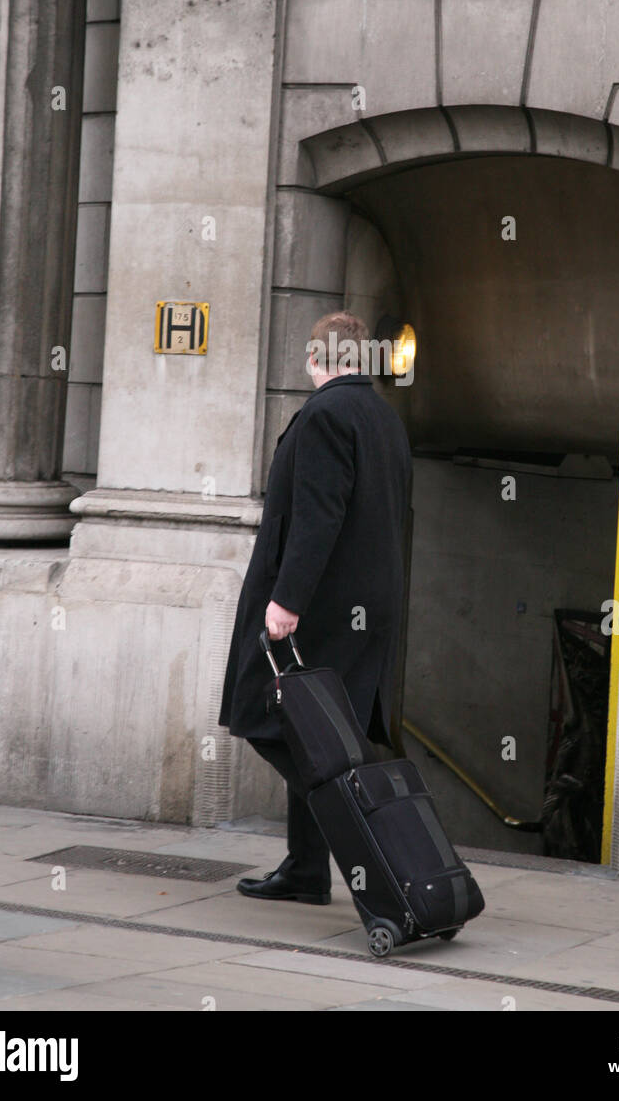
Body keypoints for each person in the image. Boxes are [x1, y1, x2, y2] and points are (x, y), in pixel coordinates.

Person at [217, 310, 413, 904]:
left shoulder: (327, 415)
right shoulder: (382, 417)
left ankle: (359, 842)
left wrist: (287, 601)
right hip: (366, 609)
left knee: (265, 718)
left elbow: (319, 515)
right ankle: (306, 869)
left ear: (312, 359)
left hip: (320, 608)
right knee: (316, 732)